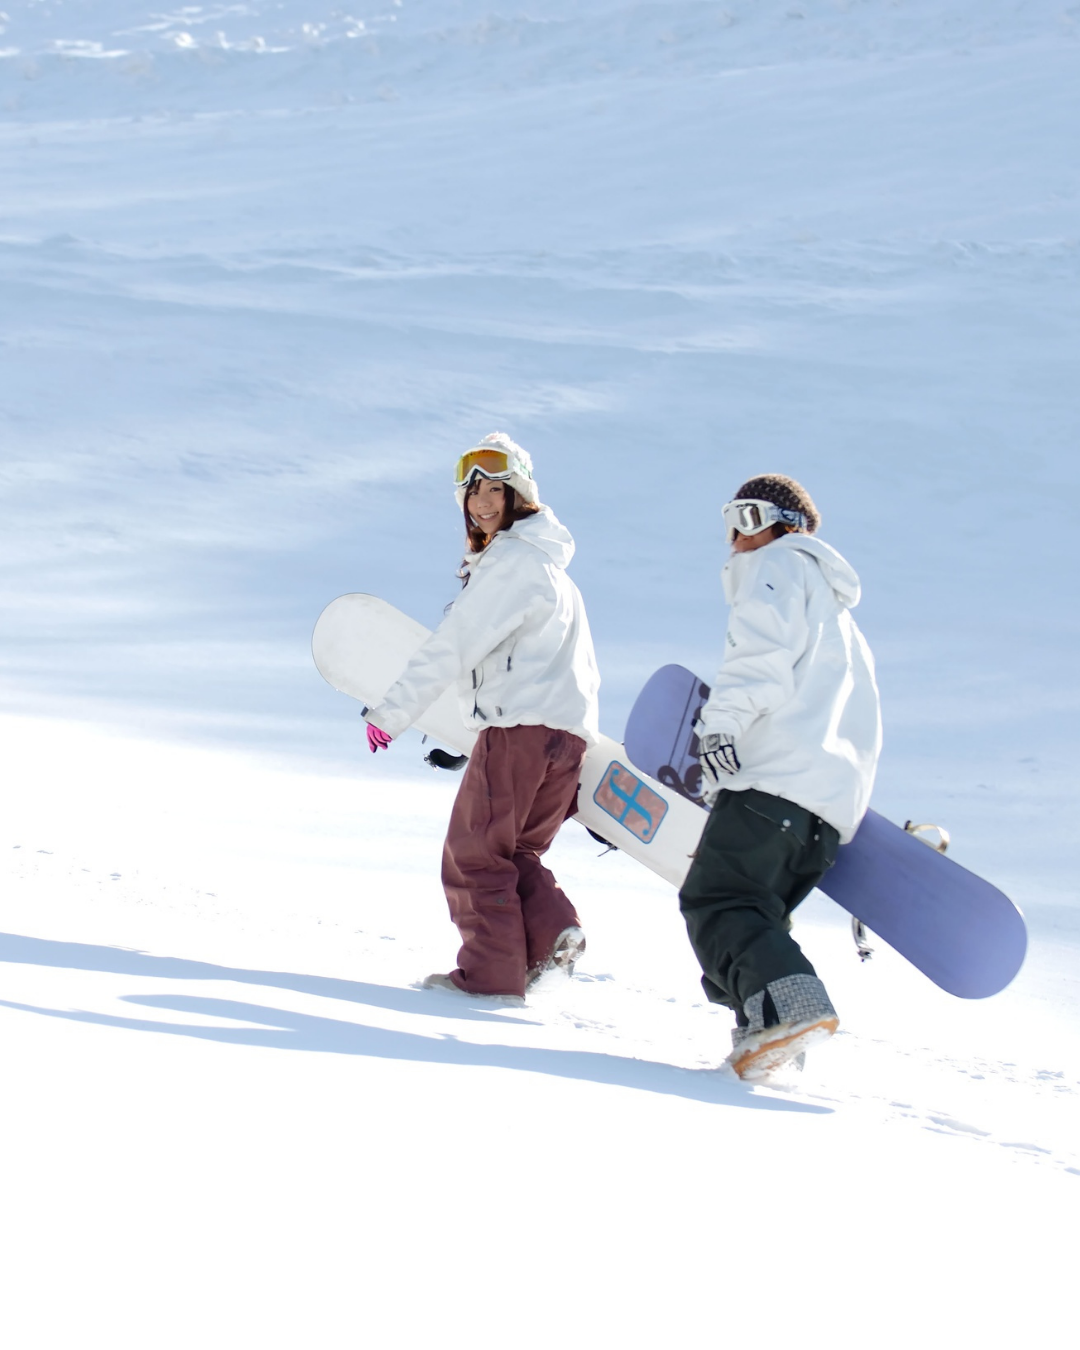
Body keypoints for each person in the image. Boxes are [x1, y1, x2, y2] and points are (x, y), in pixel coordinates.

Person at [362, 432, 601, 1005]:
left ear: (519, 496)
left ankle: (491, 980)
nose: (483, 503)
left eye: (496, 490)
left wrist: (392, 714)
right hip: (565, 741)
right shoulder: (555, 573)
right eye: (473, 494)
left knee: (473, 855)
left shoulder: (512, 562)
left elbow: (454, 644)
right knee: (516, 855)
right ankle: (549, 933)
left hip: (519, 734)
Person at [681, 474, 882, 1079]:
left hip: (772, 785)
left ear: (786, 525)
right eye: (729, 525)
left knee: (719, 900)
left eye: (747, 520)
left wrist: (720, 727)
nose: (735, 542)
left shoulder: (779, 568)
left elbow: (758, 659)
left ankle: (788, 1012)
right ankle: (767, 1027)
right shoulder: (845, 628)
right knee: (755, 916)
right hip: (821, 813)